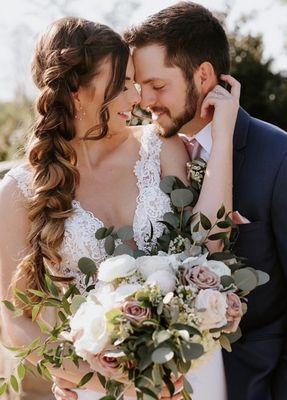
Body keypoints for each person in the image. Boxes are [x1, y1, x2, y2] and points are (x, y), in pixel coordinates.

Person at [0, 15, 241, 400]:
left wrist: (224, 136)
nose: (138, 98)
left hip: (187, 376)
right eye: (123, 85)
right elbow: (15, 321)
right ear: (77, 90)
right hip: (98, 386)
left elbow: (209, 244)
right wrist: (110, 382)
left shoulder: (161, 147)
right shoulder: (19, 190)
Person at [122, 2, 287, 400]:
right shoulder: (143, 155)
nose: (145, 102)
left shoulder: (286, 160)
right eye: (140, 88)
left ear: (204, 75)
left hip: (258, 384)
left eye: (158, 86)